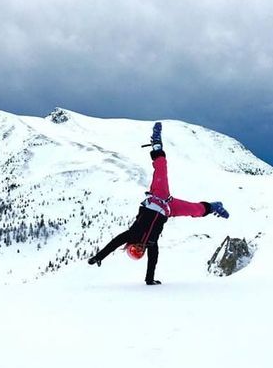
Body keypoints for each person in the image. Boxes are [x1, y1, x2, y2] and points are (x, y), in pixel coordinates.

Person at [88, 122, 230, 285]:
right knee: (195, 210)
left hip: (158, 196)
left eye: (134, 250)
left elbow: (114, 243)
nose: (139, 250)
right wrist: (149, 280)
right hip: (169, 208)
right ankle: (214, 207)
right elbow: (152, 262)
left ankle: (156, 142)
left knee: (161, 167)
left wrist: (98, 257)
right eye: (139, 253)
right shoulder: (151, 244)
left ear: (130, 246)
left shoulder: (131, 234)